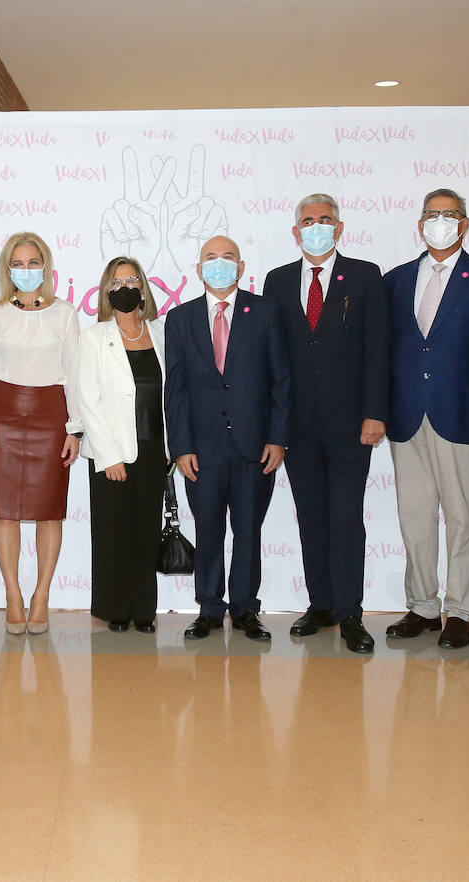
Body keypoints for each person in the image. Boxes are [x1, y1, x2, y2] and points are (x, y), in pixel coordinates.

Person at [383, 189, 469, 649]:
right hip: (407, 416)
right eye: (431, 214)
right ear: (419, 224)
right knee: (414, 518)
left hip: (462, 414)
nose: (439, 222)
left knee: (461, 517)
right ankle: (422, 606)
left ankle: (459, 611)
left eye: (448, 215)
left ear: (465, 223)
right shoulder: (394, 281)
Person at [265, 194, 389, 654]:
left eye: (324, 220)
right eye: (306, 221)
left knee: (346, 518)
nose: (315, 227)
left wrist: (375, 412)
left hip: (351, 425)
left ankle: (350, 611)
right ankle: (321, 604)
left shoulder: (363, 275)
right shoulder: (276, 281)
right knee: (311, 517)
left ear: (339, 227)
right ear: (295, 232)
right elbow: (273, 358)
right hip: (297, 427)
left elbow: (378, 349)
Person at [166, 236, 291, 641]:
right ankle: (208, 607)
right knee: (208, 530)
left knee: (249, 529)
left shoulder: (265, 313)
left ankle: (244, 609)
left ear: (240, 268)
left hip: (255, 447)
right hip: (201, 449)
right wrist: (180, 446)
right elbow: (176, 390)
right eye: (210, 258)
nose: (219, 265)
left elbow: (281, 382)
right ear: (199, 269)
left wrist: (278, 438)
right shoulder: (180, 319)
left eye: (228, 258)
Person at [0, 233, 81, 634]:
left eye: (34, 263)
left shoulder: (66, 314)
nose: (27, 270)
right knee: (5, 512)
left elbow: (75, 375)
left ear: (46, 269)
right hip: (3, 418)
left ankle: (42, 596)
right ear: (7, 268)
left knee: (50, 512)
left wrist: (76, 428)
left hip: (52, 419)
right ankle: (13, 595)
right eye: (19, 263)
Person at [75, 257, 168, 632]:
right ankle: (115, 609)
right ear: (107, 292)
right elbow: (88, 400)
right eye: (117, 282)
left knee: (147, 531)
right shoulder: (94, 337)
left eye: (132, 279)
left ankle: (144, 609)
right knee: (113, 534)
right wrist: (110, 456)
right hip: (110, 453)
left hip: (154, 451)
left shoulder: (161, 332)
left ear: (143, 288)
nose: (125, 287)